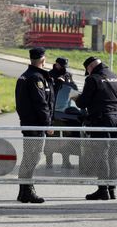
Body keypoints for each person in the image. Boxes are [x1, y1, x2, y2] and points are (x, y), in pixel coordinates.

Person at [72, 56, 117, 200]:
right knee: (113, 155)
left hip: (102, 120)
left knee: (102, 155)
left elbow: (83, 103)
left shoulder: (92, 79)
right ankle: (112, 189)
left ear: (89, 68)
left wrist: (75, 98)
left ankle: (102, 190)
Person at [15, 47, 55, 203]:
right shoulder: (35, 78)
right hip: (35, 125)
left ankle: (23, 191)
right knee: (33, 157)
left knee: (29, 158)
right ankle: (27, 191)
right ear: (43, 60)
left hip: (29, 123)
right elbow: (41, 104)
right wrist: (47, 125)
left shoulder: (26, 76)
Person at [45, 57, 78, 169]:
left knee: (65, 139)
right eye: (62, 66)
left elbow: (73, 90)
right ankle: (49, 162)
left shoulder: (68, 75)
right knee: (50, 139)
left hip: (65, 111)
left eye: (65, 67)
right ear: (57, 65)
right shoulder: (49, 75)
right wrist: (56, 83)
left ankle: (66, 161)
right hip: (52, 112)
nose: (64, 69)